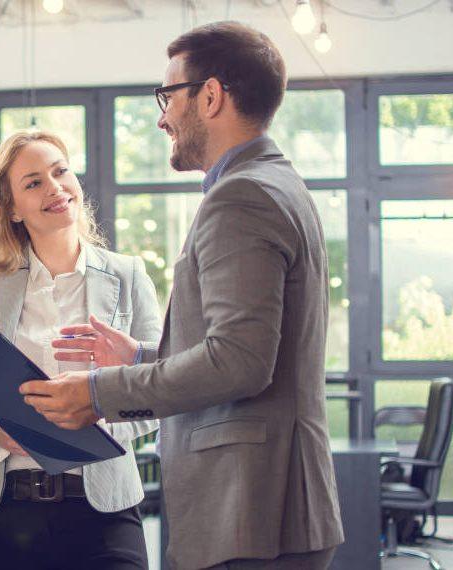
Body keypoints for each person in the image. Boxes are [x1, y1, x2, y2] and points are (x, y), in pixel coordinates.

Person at [20, 22, 344, 570]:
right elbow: (249, 347)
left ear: (211, 96)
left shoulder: (240, 196)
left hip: (251, 511)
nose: (161, 116)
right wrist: (143, 357)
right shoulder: (274, 182)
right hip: (270, 507)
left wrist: (99, 392)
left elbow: (239, 362)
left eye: (167, 96)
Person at [0, 130, 161, 569]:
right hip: (3, 512)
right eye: (33, 182)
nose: (55, 187)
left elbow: (161, 388)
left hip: (105, 511)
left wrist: (93, 419)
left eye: (60, 172)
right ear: (12, 209)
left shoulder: (129, 275)